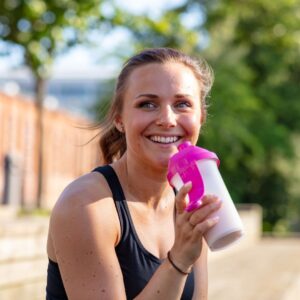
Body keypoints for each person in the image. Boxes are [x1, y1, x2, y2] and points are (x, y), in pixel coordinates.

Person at [46, 47, 222, 300]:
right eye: (147, 104)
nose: (167, 119)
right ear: (119, 119)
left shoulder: (191, 197)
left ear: (201, 117)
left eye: (182, 104)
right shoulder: (85, 205)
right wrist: (180, 259)